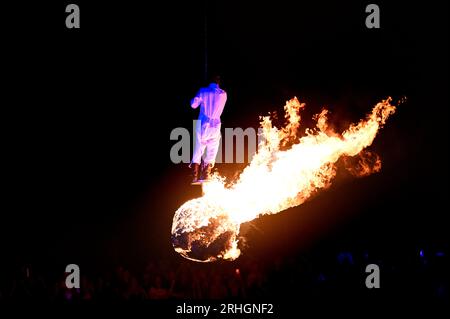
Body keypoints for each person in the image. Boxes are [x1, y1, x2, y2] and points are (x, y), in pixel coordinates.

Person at [190, 75, 227, 184]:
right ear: (218, 82)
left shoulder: (203, 91)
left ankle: (194, 175)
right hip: (216, 124)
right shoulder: (223, 94)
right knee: (213, 147)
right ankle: (206, 173)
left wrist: (197, 97)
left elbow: (193, 105)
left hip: (204, 122)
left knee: (199, 146)